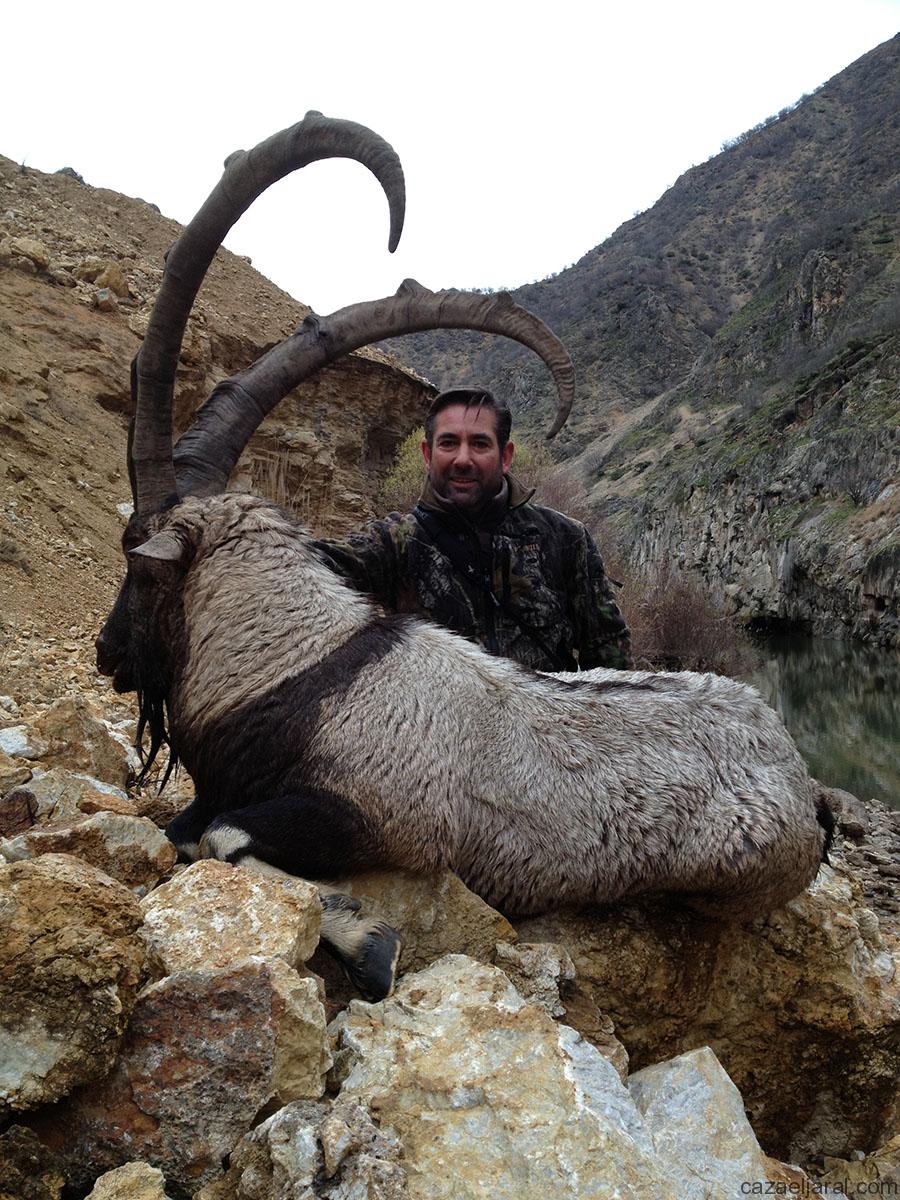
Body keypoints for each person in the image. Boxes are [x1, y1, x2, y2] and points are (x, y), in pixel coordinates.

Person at [314, 388, 632, 672]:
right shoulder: (394, 542)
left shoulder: (565, 538)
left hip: (544, 720)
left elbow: (611, 659)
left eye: (480, 444)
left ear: (505, 456)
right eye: (448, 443)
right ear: (427, 455)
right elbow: (304, 569)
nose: (463, 459)